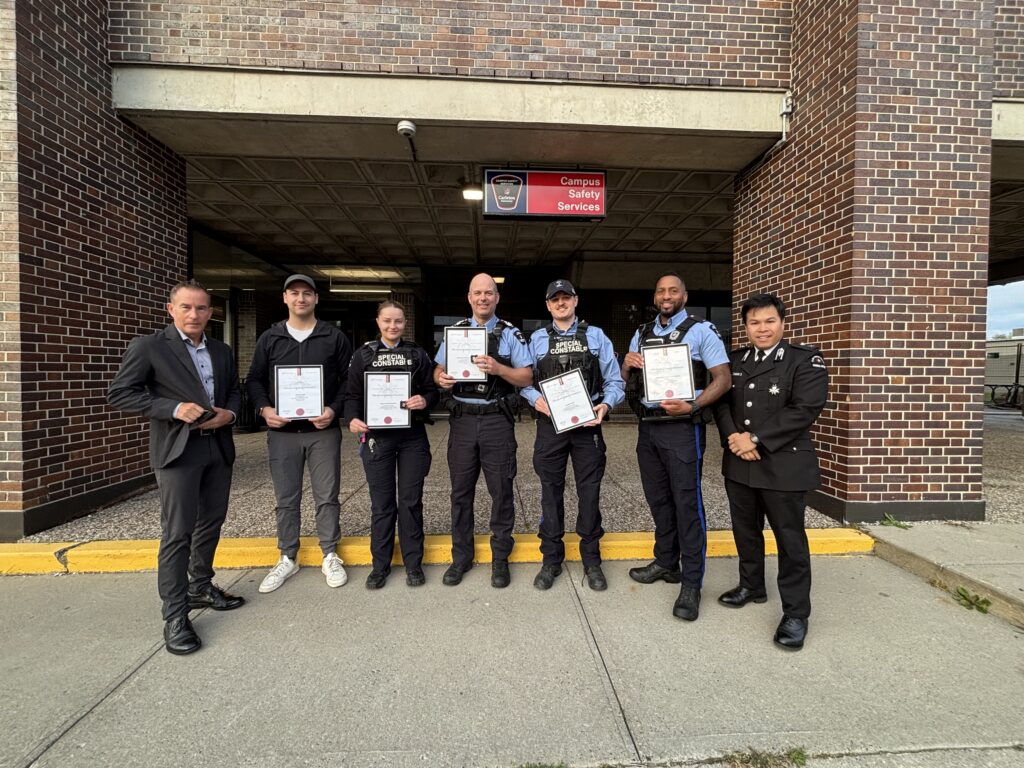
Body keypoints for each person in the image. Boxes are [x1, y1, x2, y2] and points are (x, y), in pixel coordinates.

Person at [107, 280, 243, 656]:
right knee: (177, 532)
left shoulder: (221, 349)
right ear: (171, 309)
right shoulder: (150, 347)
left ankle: (200, 585)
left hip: (217, 446)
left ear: (211, 312)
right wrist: (172, 409)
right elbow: (121, 392)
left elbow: (233, 389)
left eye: (201, 308)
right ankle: (175, 614)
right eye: (186, 307)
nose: (194, 314)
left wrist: (229, 414)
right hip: (178, 451)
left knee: (211, 522)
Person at [712, 293, 828, 650]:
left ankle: (796, 613)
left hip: (783, 465)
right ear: (745, 327)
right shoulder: (735, 360)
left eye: (769, 322)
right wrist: (733, 436)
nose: (762, 329)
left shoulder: (804, 361)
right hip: (739, 464)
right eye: (754, 323)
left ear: (782, 322)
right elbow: (720, 402)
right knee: (745, 531)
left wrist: (755, 439)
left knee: (789, 540)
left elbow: (805, 409)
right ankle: (752, 585)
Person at [621, 271, 731, 621]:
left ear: (685, 294)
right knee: (659, 500)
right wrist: (626, 364)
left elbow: (723, 379)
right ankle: (666, 562)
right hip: (648, 428)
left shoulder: (701, 330)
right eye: (660, 291)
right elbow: (626, 379)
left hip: (683, 428)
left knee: (687, 504)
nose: (666, 296)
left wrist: (695, 405)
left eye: (673, 290)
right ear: (655, 297)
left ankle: (692, 582)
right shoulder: (642, 333)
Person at [246, 274, 353, 594]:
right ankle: (287, 556)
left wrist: (334, 409)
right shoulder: (270, 338)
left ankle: (330, 553)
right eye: (294, 293)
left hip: (323, 430)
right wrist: (265, 410)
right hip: (283, 432)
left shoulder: (333, 337)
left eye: (307, 293)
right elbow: (254, 380)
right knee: (286, 498)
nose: (301, 299)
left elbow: (350, 382)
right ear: (285, 298)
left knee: (327, 495)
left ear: (316, 299)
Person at [520, 280, 625, 591]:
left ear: (576, 301)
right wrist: (534, 399)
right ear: (548, 305)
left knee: (589, 495)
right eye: (555, 299)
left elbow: (614, 381)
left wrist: (605, 406)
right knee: (550, 494)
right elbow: (524, 381)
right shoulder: (537, 339)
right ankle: (551, 560)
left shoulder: (596, 336)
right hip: (550, 427)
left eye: (566, 298)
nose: (561, 303)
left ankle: (591, 560)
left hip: (587, 427)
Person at [433, 273, 533, 588]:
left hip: (496, 421)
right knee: (460, 493)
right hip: (462, 420)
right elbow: (438, 367)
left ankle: (500, 558)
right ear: (469, 297)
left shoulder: (510, 335)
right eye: (478, 293)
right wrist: (440, 379)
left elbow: (527, 377)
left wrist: (500, 369)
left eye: (489, 293)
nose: (483, 298)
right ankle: (461, 558)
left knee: (501, 492)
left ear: (496, 298)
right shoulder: (456, 333)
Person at [343, 300, 439, 589]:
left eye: (397, 321)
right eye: (387, 321)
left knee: (410, 503)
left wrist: (424, 401)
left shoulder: (417, 353)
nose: (392, 326)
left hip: (412, 438)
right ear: (378, 322)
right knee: (382, 505)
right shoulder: (363, 355)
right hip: (377, 438)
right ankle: (379, 566)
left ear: (404, 323)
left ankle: (413, 564)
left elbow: (432, 391)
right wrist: (352, 419)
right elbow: (352, 396)